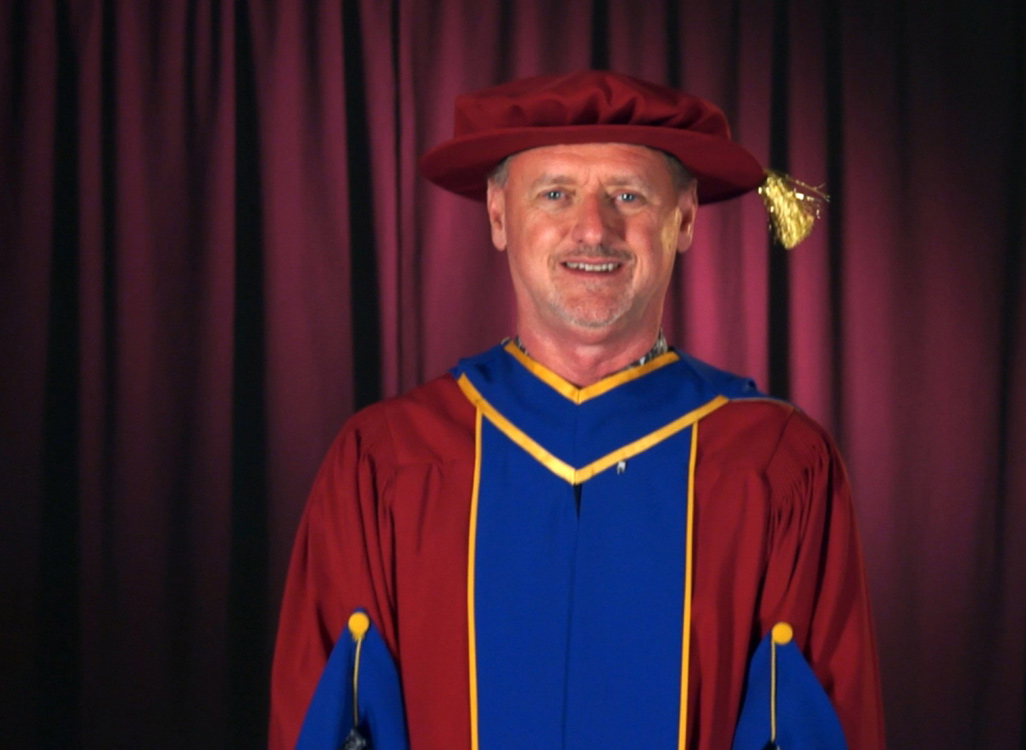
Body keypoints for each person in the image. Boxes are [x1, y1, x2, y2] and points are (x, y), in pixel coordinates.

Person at [269, 70, 885, 750]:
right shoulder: (388, 464)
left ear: (683, 220)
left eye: (628, 195)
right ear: (500, 216)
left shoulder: (774, 467)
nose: (594, 229)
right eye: (555, 194)